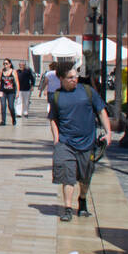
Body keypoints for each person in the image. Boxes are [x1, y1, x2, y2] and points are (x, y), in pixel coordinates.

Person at [48, 62, 112, 222]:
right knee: (67, 176)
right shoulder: (56, 96)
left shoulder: (88, 92)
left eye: (76, 76)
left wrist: (109, 132)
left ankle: (82, 200)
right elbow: (53, 119)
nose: (74, 79)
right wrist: (56, 139)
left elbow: (101, 112)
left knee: (85, 177)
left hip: (87, 143)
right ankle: (68, 208)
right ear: (61, 78)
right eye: (70, 77)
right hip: (65, 143)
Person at [0, 59, 21, 127]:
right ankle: (3, 121)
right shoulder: (2, 71)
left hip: (11, 92)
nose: (5, 65)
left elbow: (17, 82)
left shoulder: (13, 71)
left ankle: (13, 118)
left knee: (11, 106)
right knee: (3, 105)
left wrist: (17, 92)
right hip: (3, 91)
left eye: (6, 63)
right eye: (4, 63)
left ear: (10, 64)